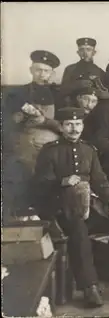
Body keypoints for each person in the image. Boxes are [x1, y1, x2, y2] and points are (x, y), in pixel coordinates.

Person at [32, 107, 109, 308]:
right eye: (69, 124)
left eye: (78, 124)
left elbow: (100, 180)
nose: (74, 128)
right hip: (61, 210)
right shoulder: (50, 151)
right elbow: (39, 184)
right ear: (61, 127)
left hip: (89, 206)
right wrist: (62, 181)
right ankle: (89, 287)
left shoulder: (88, 149)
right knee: (78, 229)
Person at [3, 50, 63, 216]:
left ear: (52, 73)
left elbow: (67, 126)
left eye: (46, 71)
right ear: (31, 70)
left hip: (52, 148)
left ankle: (48, 218)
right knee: (17, 176)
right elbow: (6, 123)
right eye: (38, 69)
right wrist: (19, 117)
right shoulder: (17, 94)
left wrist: (46, 122)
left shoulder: (60, 95)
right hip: (24, 147)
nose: (41, 74)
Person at [60, 37, 109, 105]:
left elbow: (105, 95)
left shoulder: (99, 71)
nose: (85, 53)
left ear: (94, 52)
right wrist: (78, 84)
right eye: (82, 50)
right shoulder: (70, 69)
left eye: (88, 50)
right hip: (74, 107)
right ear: (78, 52)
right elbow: (62, 91)